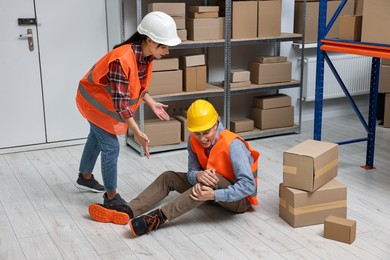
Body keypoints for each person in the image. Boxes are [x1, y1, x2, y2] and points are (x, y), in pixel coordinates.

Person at [88, 99, 260, 237]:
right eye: (197, 133)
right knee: (168, 176)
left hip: (238, 200)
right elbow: (191, 173)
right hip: (211, 189)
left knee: (208, 181)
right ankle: (128, 210)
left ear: (216, 124)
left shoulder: (233, 145)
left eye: (206, 132)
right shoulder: (193, 141)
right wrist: (198, 175)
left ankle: (156, 219)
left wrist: (214, 194)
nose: (202, 138)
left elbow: (248, 186)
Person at [74, 11, 181, 207]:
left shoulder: (146, 57)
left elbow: (136, 88)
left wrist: (150, 102)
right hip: (92, 104)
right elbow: (121, 104)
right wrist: (138, 132)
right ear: (149, 40)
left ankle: (85, 176)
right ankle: (111, 197)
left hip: (103, 105)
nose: (167, 51)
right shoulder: (121, 60)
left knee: (96, 138)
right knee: (111, 147)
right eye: (164, 46)